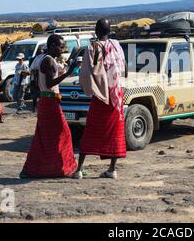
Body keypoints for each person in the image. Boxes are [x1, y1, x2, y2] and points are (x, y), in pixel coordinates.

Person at [74, 19, 127, 180]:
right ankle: (112, 169)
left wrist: (90, 89)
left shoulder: (93, 47)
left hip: (102, 96)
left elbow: (85, 73)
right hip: (116, 96)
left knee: (91, 130)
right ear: (109, 30)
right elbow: (124, 67)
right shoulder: (117, 46)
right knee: (115, 131)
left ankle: (79, 169)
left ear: (96, 31)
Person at [20, 35, 78, 179]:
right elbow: (51, 83)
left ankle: (35, 169)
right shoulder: (49, 61)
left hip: (44, 101)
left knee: (43, 138)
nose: (62, 50)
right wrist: (69, 72)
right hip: (51, 102)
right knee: (64, 134)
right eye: (60, 47)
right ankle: (65, 167)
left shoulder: (40, 58)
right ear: (52, 45)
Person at [29, 48, 45, 113]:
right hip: (36, 79)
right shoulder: (38, 58)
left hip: (37, 78)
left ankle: (36, 107)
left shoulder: (38, 58)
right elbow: (31, 69)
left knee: (37, 94)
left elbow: (31, 69)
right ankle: (34, 107)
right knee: (36, 94)